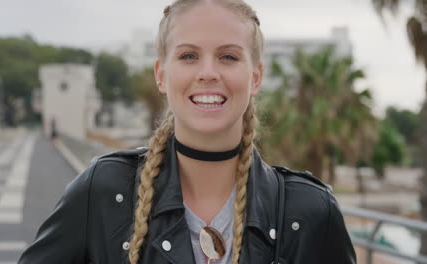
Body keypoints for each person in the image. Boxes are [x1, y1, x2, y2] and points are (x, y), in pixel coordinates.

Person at [19, 0, 356, 263]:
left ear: (255, 78)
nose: (208, 72)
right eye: (189, 55)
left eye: (227, 56)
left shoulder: (311, 211)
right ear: (161, 75)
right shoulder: (104, 191)